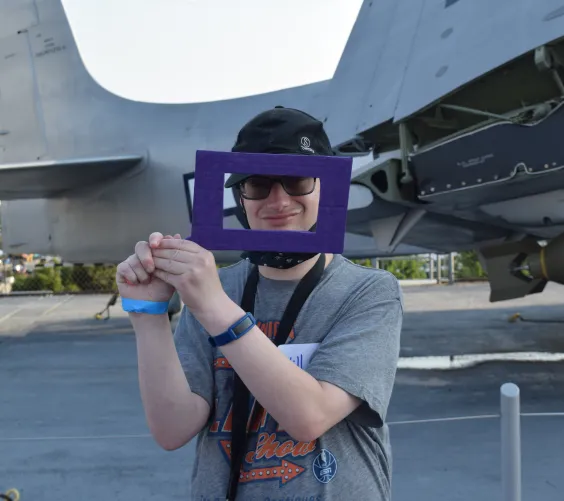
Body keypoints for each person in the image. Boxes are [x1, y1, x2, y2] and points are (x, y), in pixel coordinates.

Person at [116, 107, 404, 501]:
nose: (278, 200)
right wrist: (148, 315)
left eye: (297, 181)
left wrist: (214, 306)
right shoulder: (216, 288)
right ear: (240, 196)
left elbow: (310, 417)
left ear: (325, 188)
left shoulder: (368, 291)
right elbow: (172, 429)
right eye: (258, 185)